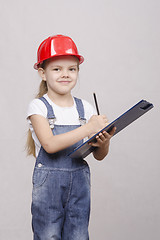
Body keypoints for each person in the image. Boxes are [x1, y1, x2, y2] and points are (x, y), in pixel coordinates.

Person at [26, 34, 115, 240]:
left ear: (77, 71)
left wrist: (104, 141)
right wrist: (88, 128)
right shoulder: (38, 106)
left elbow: (99, 156)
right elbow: (49, 144)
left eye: (71, 69)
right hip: (49, 184)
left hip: (79, 184)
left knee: (78, 235)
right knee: (48, 235)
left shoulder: (85, 107)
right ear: (42, 73)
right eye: (57, 69)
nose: (65, 74)